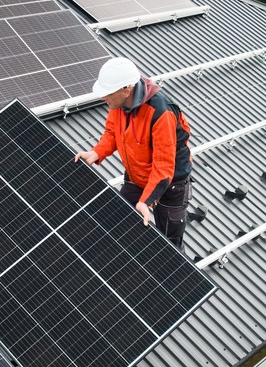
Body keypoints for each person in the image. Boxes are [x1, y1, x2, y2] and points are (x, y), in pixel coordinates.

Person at [74, 57, 193, 249]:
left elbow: (163, 167)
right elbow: (112, 132)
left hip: (171, 185)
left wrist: (146, 201)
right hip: (137, 177)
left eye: (107, 93)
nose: (102, 98)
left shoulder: (161, 113)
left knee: (170, 245)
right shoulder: (119, 104)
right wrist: (96, 153)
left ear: (126, 90)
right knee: (121, 220)